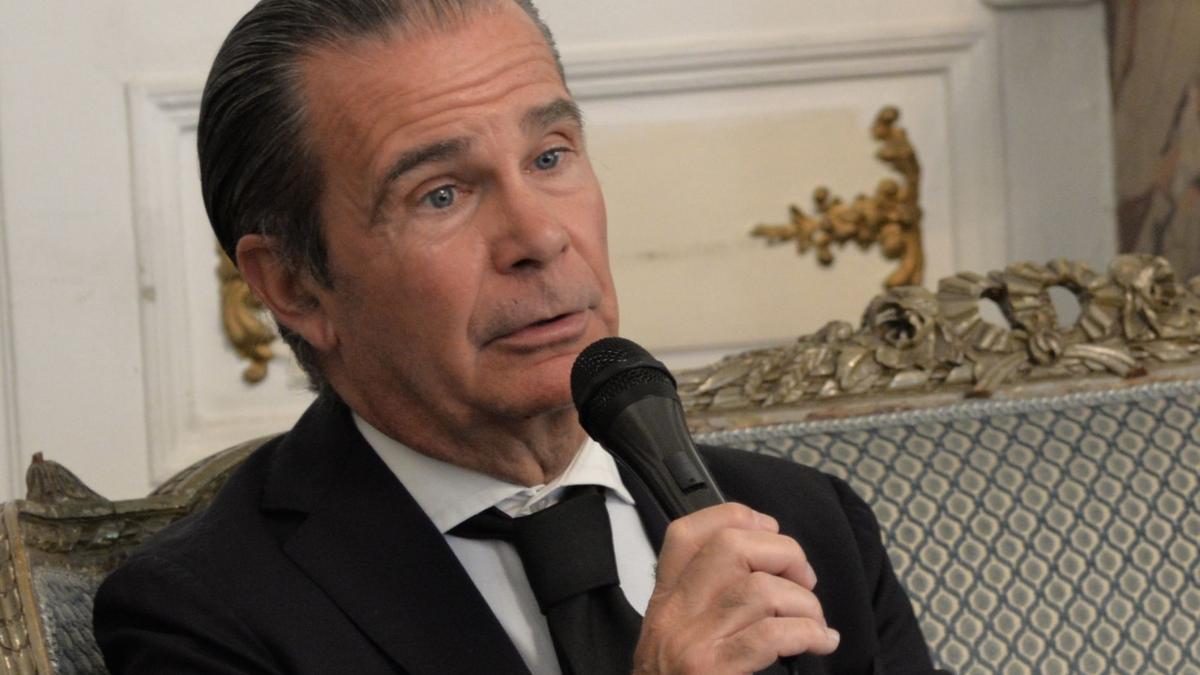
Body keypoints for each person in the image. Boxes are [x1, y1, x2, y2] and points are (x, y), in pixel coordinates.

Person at [93, 1, 941, 673]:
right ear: (294, 284)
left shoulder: (807, 524)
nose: (539, 236)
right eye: (441, 194)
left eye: (550, 156)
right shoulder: (206, 615)